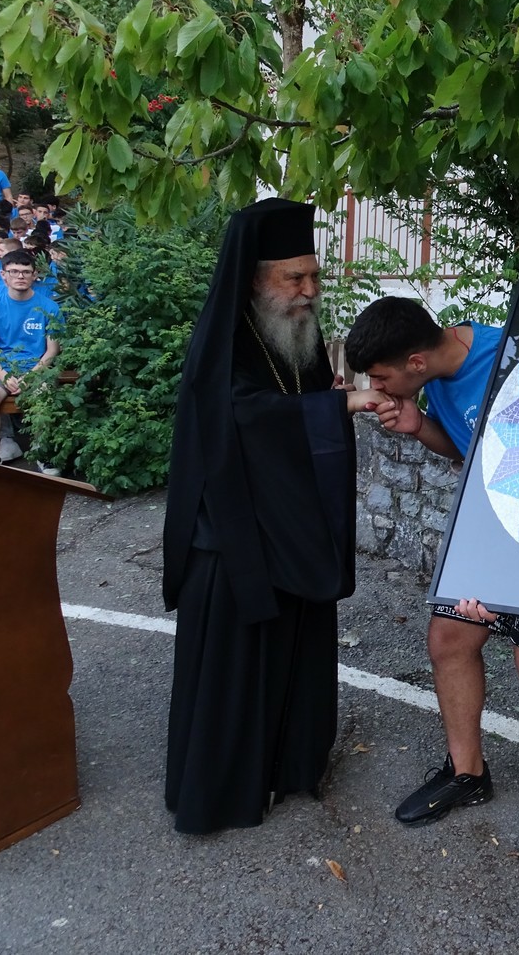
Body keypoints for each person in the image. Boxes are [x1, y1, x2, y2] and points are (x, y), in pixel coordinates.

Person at [343, 296, 519, 869]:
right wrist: (419, 426)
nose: (376, 389)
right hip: (488, 525)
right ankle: (467, 773)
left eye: (381, 378)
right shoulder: (433, 378)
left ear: (416, 362)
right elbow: (468, 451)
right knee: (449, 639)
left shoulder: (514, 358)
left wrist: (514, 585)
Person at [163, 197, 385, 835]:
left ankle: (288, 767)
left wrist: (330, 400)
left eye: (314, 276)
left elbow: (301, 408)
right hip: (232, 535)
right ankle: (223, 792)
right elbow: (242, 418)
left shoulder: (297, 334)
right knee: (235, 669)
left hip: (290, 525)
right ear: (256, 278)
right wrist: (336, 410)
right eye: (296, 278)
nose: (310, 291)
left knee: (295, 647)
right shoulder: (224, 341)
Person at [0, 250, 61, 463]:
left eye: (26, 272)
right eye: (14, 271)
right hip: (1, 366)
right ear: (3, 275)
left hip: (37, 366)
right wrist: (3, 375)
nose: (20, 276)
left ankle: (42, 453)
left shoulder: (49, 307)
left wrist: (31, 376)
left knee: (43, 393)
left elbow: (52, 350)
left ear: (35, 275)